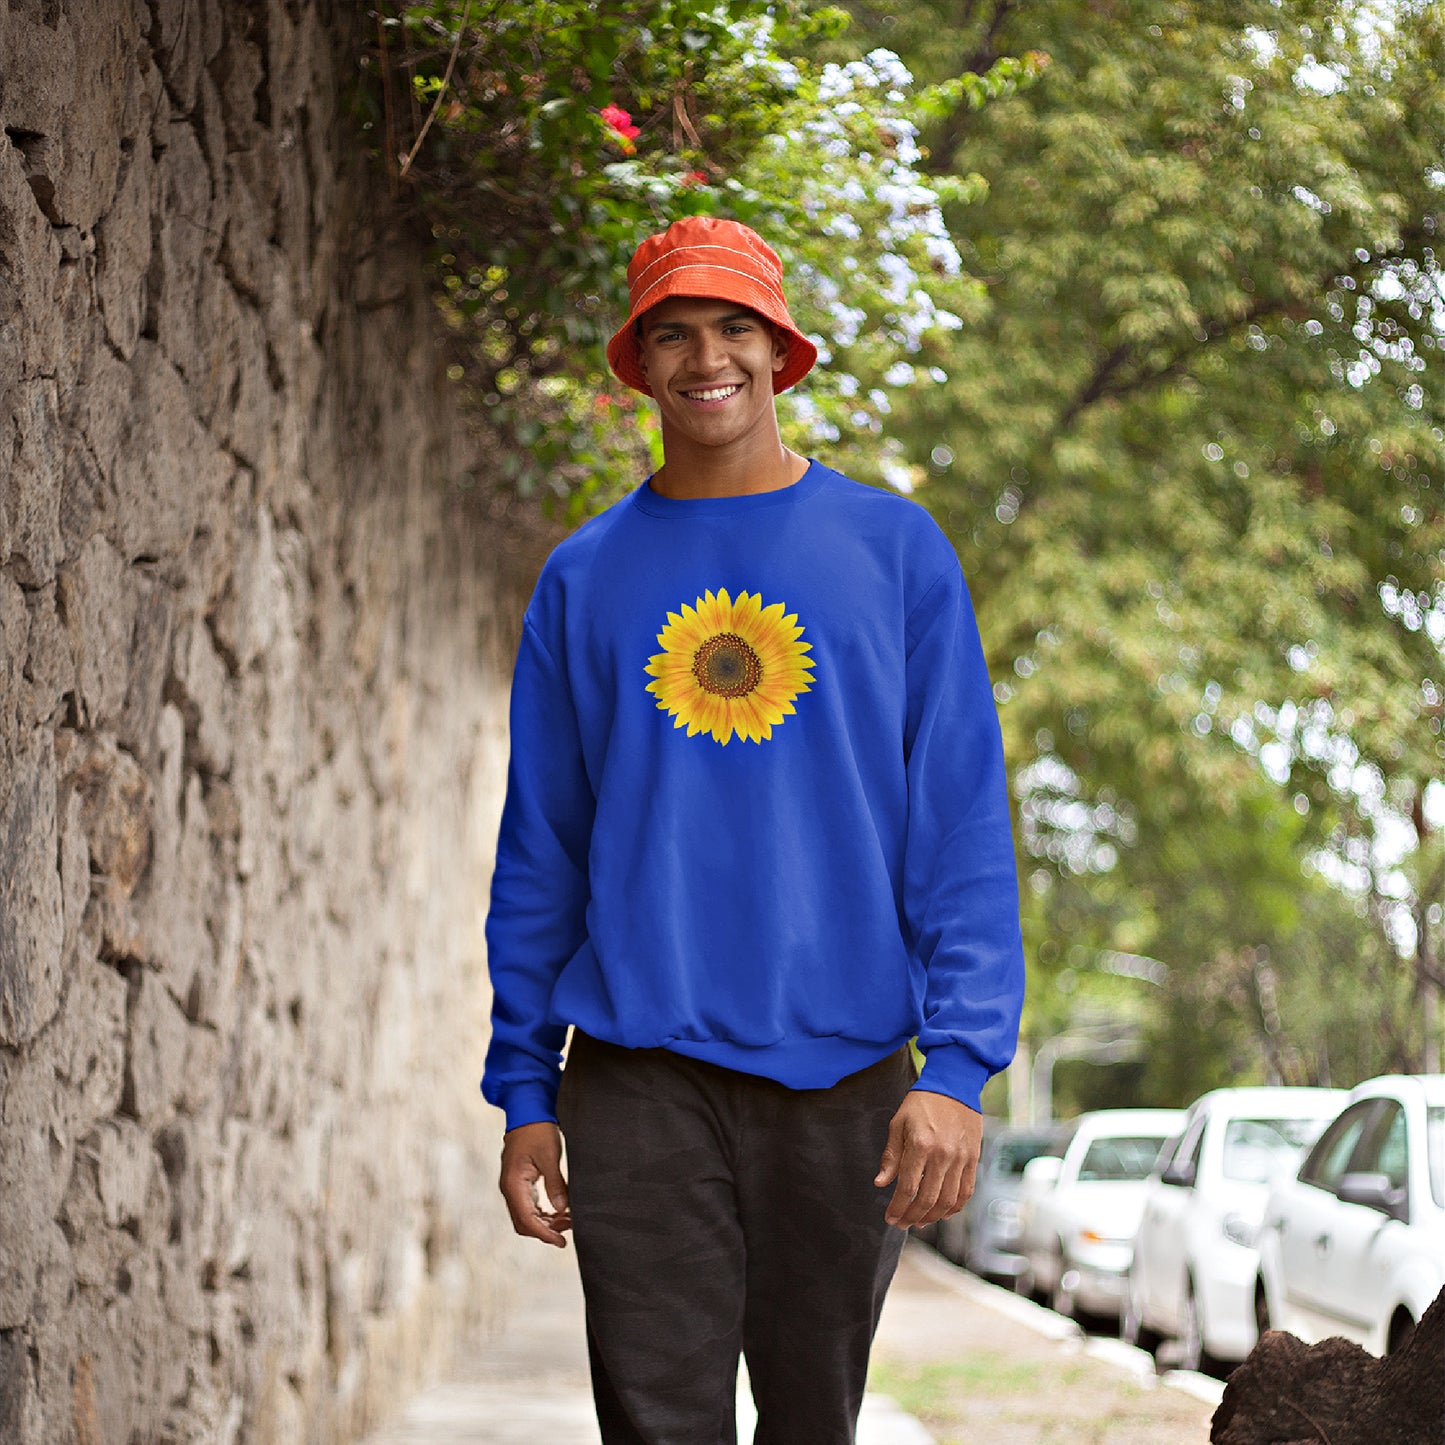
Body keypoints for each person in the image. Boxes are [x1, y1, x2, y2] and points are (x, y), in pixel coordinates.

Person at [481, 214, 1025, 1443]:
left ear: (781, 351)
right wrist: (523, 1087)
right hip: (636, 1073)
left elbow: (957, 830)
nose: (704, 356)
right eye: (670, 333)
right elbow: (542, 853)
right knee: (656, 1422)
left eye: (734, 326)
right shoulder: (581, 577)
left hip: (843, 1079)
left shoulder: (895, 553)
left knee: (809, 1422)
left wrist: (956, 1065)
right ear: (638, 364)